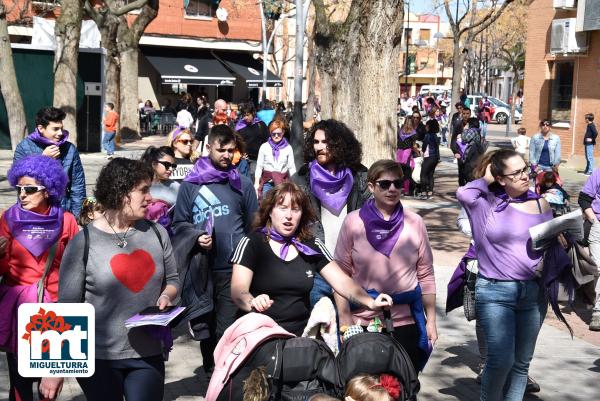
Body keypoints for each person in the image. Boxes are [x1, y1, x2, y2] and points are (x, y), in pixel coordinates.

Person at [59, 158, 179, 401]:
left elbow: (173, 279)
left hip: (148, 354)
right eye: (143, 190)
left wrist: (167, 295)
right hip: (98, 358)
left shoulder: (158, 232)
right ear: (121, 191)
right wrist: (56, 369)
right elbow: (68, 308)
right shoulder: (84, 242)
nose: (151, 198)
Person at [230, 182, 392, 336]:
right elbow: (238, 291)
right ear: (270, 211)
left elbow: (342, 281)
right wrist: (252, 301)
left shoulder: (311, 244)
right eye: (282, 208)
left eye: (295, 209)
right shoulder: (252, 242)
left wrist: (370, 302)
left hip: (300, 337)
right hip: (259, 334)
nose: (289, 216)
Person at [457, 149, 553, 401]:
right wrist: (488, 177)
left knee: (521, 363)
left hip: (533, 292)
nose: (526, 176)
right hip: (495, 292)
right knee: (500, 360)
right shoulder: (485, 204)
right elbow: (463, 192)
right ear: (500, 178)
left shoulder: (541, 202)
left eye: (526, 169)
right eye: (517, 172)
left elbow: (543, 243)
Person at [172, 124, 258, 376]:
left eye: (231, 151)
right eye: (221, 150)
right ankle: (211, 369)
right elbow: (179, 223)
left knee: (227, 326)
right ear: (208, 147)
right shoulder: (190, 184)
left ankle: (226, 372)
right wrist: (197, 237)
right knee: (206, 326)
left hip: (233, 269)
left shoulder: (241, 182)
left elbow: (254, 224)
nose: (227, 156)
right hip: (201, 267)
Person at [334, 160, 437, 372]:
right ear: (371, 186)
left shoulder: (415, 222)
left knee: (405, 387)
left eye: (398, 183)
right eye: (384, 184)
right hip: (363, 322)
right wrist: (345, 320)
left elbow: (426, 274)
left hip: (406, 323)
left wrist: (431, 320)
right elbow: (340, 274)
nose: (392, 189)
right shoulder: (353, 222)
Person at [0, 155, 78, 401]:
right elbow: (3, 269)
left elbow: (76, 269)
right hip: (19, 308)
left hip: (53, 309)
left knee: (49, 386)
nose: (23, 194)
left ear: (48, 190)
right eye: (19, 188)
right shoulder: (7, 219)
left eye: (30, 189)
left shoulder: (66, 221)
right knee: (20, 382)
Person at [291, 119, 371, 307]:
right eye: (316, 142)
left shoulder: (360, 176)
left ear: (339, 144)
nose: (319, 147)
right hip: (317, 267)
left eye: (325, 142)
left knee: (353, 327)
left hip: (354, 267)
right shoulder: (301, 179)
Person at [14, 106, 86, 217]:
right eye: (55, 129)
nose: (60, 133)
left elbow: (77, 186)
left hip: (61, 212)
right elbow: (20, 181)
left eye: (61, 128)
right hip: (31, 213)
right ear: (41, 128)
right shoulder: (23, 148)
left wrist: (77, 217)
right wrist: (42, 159)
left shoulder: (70, 149)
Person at [578, 169, 600, 331]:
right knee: (598, 268)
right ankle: (598, 312)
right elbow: (584, 199)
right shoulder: (599, 172)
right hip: (598, 227)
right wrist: (594, 221)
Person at [254, 118, 296, 200]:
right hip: (268, 183)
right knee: (266, 205)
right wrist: (256, 183)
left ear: (283, 133)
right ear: (270, 133)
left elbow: (291, 167)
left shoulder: (288, 148)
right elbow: (259, 166)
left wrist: (295, 183)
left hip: (283, 182)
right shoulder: (264, 147)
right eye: (273, 134)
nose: (276, 136)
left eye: (279, 134)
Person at [141, 146, 180, 231]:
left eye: (173, 166)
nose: (170, 169)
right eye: (167, 165)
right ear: (154, 164)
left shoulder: (176, 187)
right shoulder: (140, 185)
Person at [236, 102, 270, 180]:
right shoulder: (240, 126)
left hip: (257, 159)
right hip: (243, 159)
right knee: (243, 179)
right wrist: (240, 153)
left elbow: (267, 141)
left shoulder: (261, 125)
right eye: (244, 115)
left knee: (254, 178)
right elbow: (236, 143)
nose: (245, 117)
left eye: (247, 115)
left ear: (253, 113)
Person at [418, 119, 441, 199]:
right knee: (430, 175)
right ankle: (430, 192)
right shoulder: (435, 136)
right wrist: (438, 158)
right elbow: (437, 148)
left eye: (427, 126)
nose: (425, 127)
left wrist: (422, 150)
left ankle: (424, 192)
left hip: (429, 156)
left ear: (429, 127)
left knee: (423, 174)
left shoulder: (428, 135)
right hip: (435, 157)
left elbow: (424, 147)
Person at [451, 107, 474, 186]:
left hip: (471, 152)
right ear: (461, 114)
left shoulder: (473, 124)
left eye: (467, 114)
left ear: (470, 114)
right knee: (461, 172)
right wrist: (455, 152)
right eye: (464, 113)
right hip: (460, 152)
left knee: (470, 172)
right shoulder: (458, 125)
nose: (465, 115)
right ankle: (462, 188)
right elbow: (453, 139)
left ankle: (469, 189)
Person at [396, 117, 418, 196]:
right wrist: (418, 153)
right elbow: (414, 145)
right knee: (407, 173)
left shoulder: (400, 131)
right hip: (407, 153)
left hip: (399, 153)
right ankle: (406, 190)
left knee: (399, 172)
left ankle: (398, 189)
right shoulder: (413, 133)